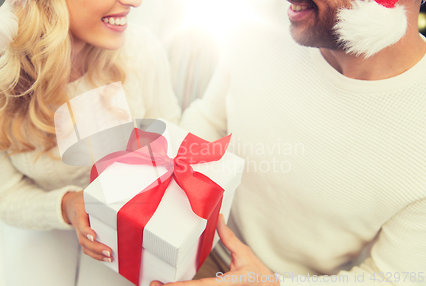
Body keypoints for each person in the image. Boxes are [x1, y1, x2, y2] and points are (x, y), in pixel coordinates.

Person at [152, 0, 426, 285]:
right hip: (194, 245)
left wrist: (271, 283)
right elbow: (210, 118)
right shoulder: (263, 20)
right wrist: (169, 207)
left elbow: (391, 277)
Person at [0, 0, 181, 285]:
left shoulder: (140, 49)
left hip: (126, 209)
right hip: (44, 213)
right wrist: (66, 205)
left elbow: (169, 132)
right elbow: (5, 194)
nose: (135, 2)